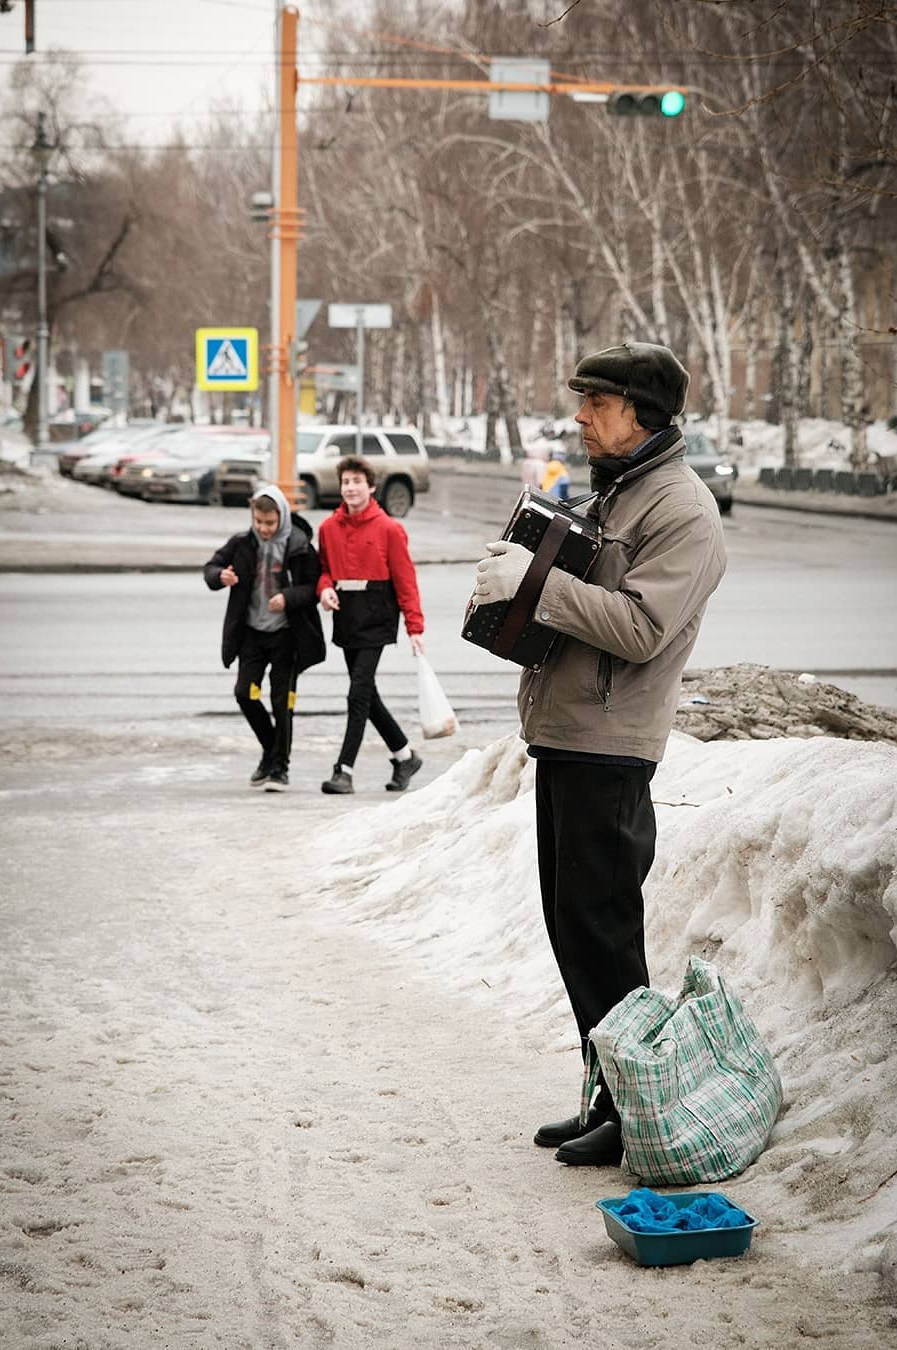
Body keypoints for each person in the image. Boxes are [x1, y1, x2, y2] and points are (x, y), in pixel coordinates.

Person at [473, 342, 727, 1167]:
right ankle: (605, 1092)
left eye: (596, 404)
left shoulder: (680, 510)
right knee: (572, 928)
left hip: (611, 747)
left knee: (603, 932)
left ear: (642, 414)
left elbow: (642, 629)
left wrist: (534, 584)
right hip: (568, 734)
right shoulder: (618, 491)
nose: (579, 416)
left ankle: (633, 1108)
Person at [203, 483, 325, 791]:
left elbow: (313, 586)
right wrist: (220, 576)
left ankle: (279, 768)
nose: (264, 528)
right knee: (246, 693)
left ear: (281, 517)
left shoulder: (298, 544)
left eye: (270, 523)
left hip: (287, 636)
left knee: (282, 701)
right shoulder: (243, 543)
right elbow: (211, 567)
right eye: (259, 522)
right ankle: (271, 750)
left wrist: (288, 597)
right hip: (252, 636)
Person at [317, 455, 425, 795]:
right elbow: (323, 570)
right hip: (346, 615)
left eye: (357, 482)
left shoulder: (390, 529)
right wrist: (323, 590)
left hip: (377, 614)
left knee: (357, 693)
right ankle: (405, 756)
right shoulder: (328, 529)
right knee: (366, 694)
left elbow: (406, 581)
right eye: (346, 482)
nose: (350, 488)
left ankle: (343, 770)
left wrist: (415, 627)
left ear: (371, 487)